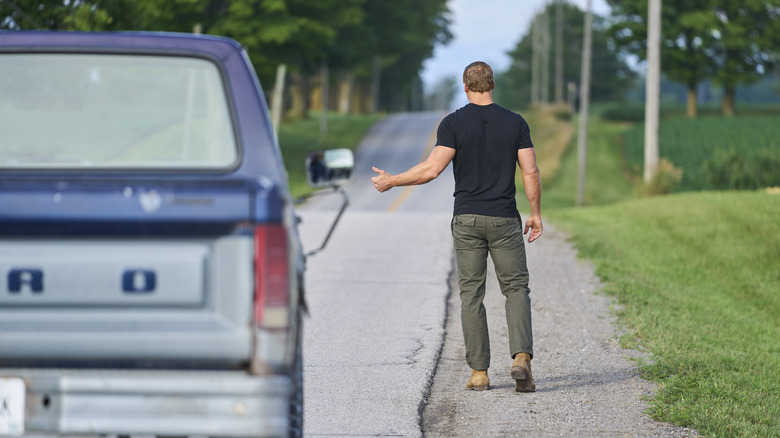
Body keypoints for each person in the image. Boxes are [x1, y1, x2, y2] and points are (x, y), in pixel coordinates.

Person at [371, 61, 542, 393]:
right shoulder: (515, 123)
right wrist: (535, 213)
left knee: (471, 295)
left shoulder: (453, 123)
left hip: (467, 221)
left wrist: (393, 181)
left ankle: (479, 373)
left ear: (465, 87)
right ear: (492, 85)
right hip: (505, 219)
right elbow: (530, 172)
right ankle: (521, 358)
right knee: (516, 289)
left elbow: (432, 169)